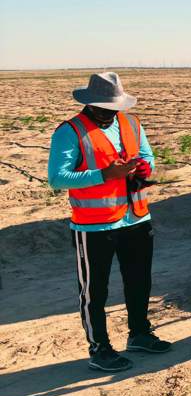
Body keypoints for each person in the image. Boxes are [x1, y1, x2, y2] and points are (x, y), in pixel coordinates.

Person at [47, 72, 171, 372]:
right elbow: (56, 177)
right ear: (89, 104)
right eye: (104, 108)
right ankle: (99, 348)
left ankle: (139, 333)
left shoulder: (131, 123)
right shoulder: (70, 131)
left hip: (137, 217)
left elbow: (148, 157)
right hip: (94, 226)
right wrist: (104, 175)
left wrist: (142, 166)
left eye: (114, 107)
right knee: (95, 291)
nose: (110, 113)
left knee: (139, 281)